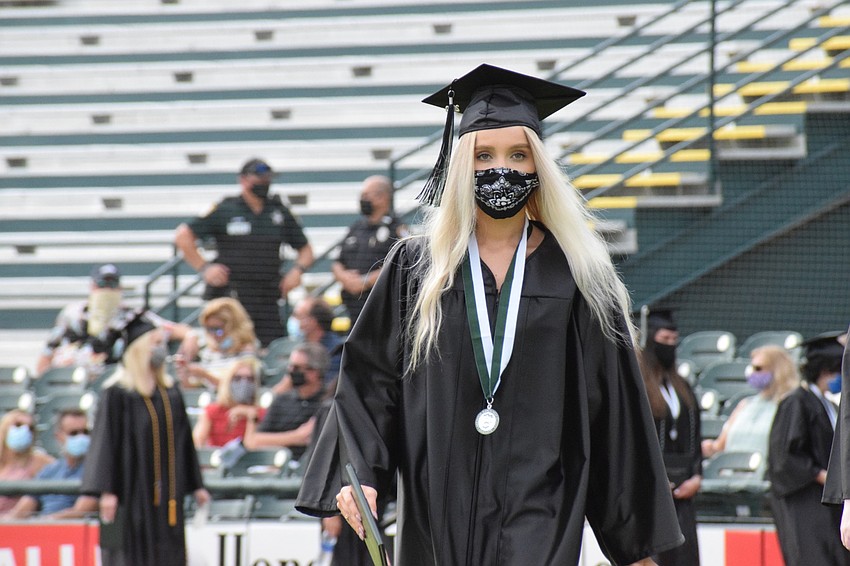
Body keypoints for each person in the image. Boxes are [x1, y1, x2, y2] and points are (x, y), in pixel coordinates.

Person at [296, 64, 682, 565]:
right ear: (459, 166)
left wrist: (636, 550)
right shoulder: (415, 271)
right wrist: (361, 475)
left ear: (538, 165)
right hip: (436, 520)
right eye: (484, 155)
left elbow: (614, 418)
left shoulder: (579, 279)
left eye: (518, 154)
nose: (502, 169)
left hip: (539, 519)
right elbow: (369, 385)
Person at [81, 310, 210, 566]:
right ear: (139, 350)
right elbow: (105, 444)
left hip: (165, 500)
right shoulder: (116, 394)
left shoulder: (170, 393)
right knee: (119, 553)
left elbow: (184, 443)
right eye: (156, 344)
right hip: (123, 497)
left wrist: (197, 485)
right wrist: (106, 492)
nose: (161, 350)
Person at [174, 158, 315, 346]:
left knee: (273, 349)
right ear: (243, 180)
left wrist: (297, 270)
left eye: (267, 179)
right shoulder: (226, 209)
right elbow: (183, 236)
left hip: (267, 297)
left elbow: (306, 249)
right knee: (228, 348)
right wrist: (205, 267)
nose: (265, 183)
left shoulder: (279, 211)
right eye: (259, 178)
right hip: (231, 296)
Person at [769, 331, 850, 565]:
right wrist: (820, 474)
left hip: (824, 504)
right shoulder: (797, 402)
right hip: (804, 502)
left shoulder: (826, 404)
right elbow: (784, 456)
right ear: (823, 371)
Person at [636, 306, 701, 566]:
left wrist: (697, 476)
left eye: (674, 341)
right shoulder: (638, 385)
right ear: (650, 340)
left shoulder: (681, 387)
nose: (670, 346)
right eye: (664, 340)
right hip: (651, 496)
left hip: (682, 496)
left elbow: (696, 440)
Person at [332, 175, 408, 325]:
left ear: (383, 198)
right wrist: (346, 278)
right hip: (353, 309)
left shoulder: (397, 229)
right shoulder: (356, 228)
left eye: (366, 195)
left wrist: (365, 281)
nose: (362, 199)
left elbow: (403, 263)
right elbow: (337, 262)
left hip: (382, 312)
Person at [702, 345, 799, 459]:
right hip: (731, 473)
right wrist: (710, 448)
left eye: (758, 369)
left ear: (777, 370)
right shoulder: (744, 405)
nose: (752, 373)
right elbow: (720, 446)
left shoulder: (790, 406)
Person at [36, 264, 133, 377]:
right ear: (92, 286)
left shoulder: (131, 318)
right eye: (102, 284)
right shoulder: (73, 315)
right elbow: (48, 351)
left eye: (112, 284)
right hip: (76, 377)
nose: (107, 290)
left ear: (120, 288)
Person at [1, 409, 98, 520]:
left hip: (71, 532)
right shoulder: (50, 470)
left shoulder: (95, 470)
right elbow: (22, 510)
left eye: (85, 432)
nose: (81, 438)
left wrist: (45, 521)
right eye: (73, 433)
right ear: (59, 436)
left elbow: (81, 511)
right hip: (42, 530)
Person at [236, 342, 327, 460]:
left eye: (297, 368)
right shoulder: (282, 400)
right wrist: (296, 436)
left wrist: (274, 440)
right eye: (290, 366)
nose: (291, 371)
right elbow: (253, 441)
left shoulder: (327, 401)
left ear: (315, 371)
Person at [176, 297, 259, 390]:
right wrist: (185, 374)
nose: (213, 335)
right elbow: (194, 389)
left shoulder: (247, 351)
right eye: (209, 329)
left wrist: (205, 375)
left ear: (233, 327)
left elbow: (239, 388)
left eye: (218, 329)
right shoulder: (209, 351)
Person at [192, 357, 267, 448]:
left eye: (250, 379)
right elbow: (197, 443)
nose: (244, 383)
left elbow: (251, 446)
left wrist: (251, 416)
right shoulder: (213, 411)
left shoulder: (262, 414)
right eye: (238, 378)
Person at [281, 296, 343, 391]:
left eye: (298, 316)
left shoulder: (337, 350)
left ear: (313, 321)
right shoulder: (299, 348)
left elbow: (330, 386)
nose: (294, 320)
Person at [0, 410, 53, 514]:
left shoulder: (40, 461)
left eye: (30, 428)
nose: (24, 430)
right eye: (18, 425)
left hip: (17, 524)